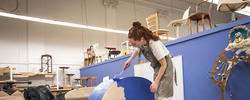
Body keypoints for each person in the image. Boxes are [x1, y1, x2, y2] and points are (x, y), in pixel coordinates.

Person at [123, 21, 174, 100]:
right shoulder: (142, 42)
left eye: (134, 44)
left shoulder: (154, 44)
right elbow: (137, 48)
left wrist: (156, 82)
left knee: (163, 95)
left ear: (141, 39)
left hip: (166, 68)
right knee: (156, 94)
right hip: (157, 67)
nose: (134, 46)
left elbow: (164, 64)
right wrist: (130, 59)